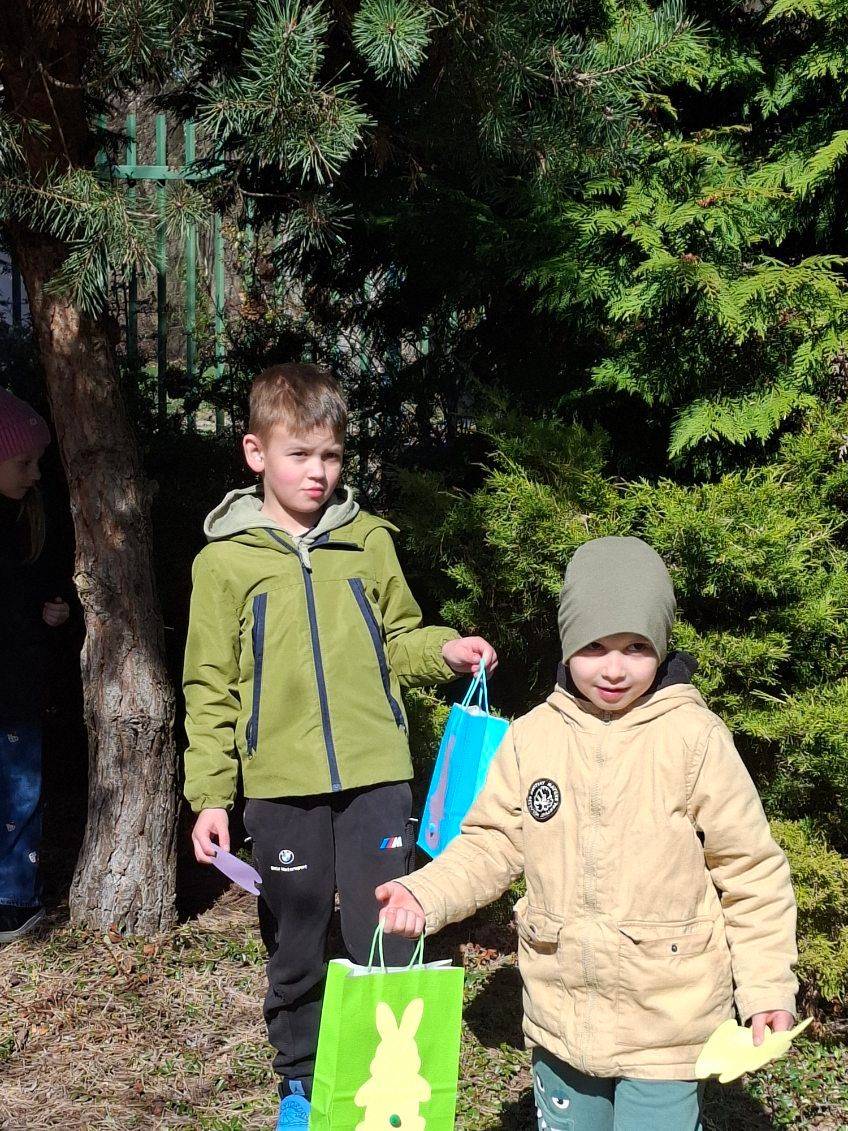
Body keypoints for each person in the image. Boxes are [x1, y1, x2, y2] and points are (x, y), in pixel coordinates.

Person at [378, 536, 798, 1131]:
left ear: (661, 646)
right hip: (562, 1013)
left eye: (636, 647)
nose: (614, 667)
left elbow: (750, 870)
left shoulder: (695, 739)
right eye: (594, 646)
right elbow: (492, 842)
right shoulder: (532, 737)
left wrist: (767, 988)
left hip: (667, 1021)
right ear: (567, 644)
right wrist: (425, 893)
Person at [182, 363, 497, 1129]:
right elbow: (209, 684)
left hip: (374, 775)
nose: (317, 471)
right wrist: (211, 796)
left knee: (384, 924)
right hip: (279, 783)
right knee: (295, 935)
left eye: (330, 455)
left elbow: (401, 636)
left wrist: (445, 649)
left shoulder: (369, 541)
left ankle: (389, 1083)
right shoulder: (223, 561)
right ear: (256, 452)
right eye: (299, 454)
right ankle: (299, 1079)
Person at [0, 387, 70, 947]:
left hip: (19, 687)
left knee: (20, 791)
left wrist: (57, 610)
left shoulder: (34, 520)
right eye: (24, 461)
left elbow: (49, 584)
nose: (36, 473)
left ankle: (13, 897)